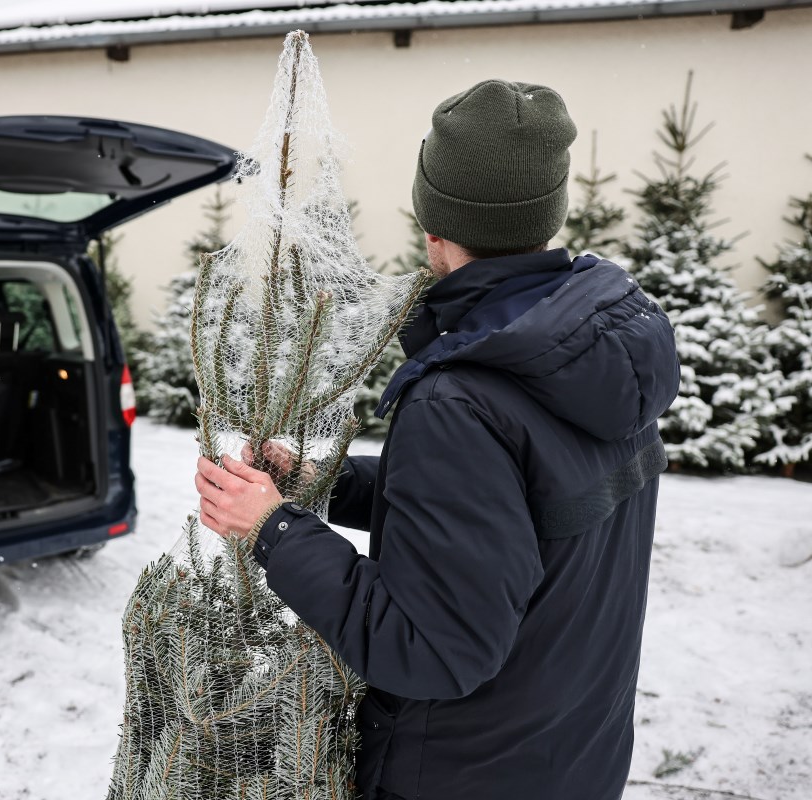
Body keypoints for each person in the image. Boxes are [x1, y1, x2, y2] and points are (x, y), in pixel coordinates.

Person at [194, 78, 680, 800]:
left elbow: (429, 649)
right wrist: (326, 484)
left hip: (464, 774)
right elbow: (513, 512)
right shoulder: (597, 351)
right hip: (574, 755)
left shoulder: (461, 398)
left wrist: (274, 530)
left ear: (435, 228)